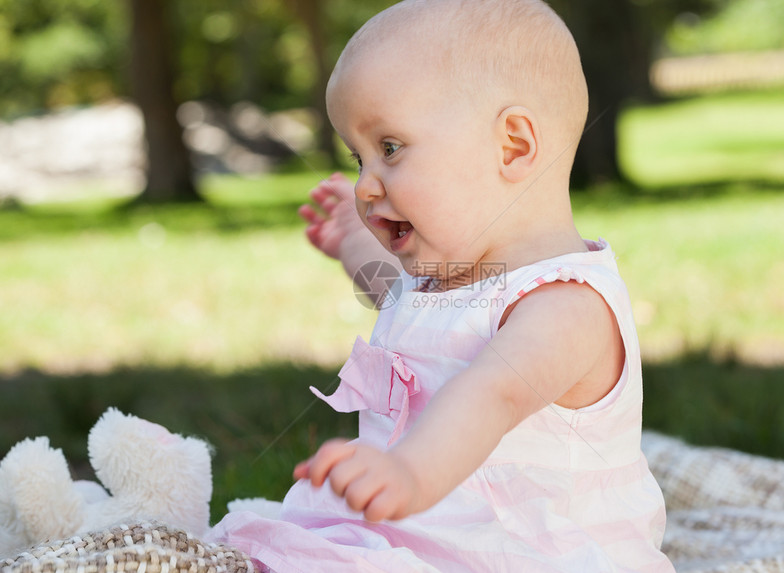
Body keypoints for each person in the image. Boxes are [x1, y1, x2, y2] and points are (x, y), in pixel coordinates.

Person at [207, 0, 675, 571]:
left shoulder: (567, 305)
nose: (367, 187)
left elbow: (492, 392)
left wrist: (408, 471)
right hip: (428, 539)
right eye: (359, 159)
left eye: (390, 149)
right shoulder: (447, 279)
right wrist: (351, 241)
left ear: (514, 146)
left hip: (531, 555)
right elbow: (390, 292)